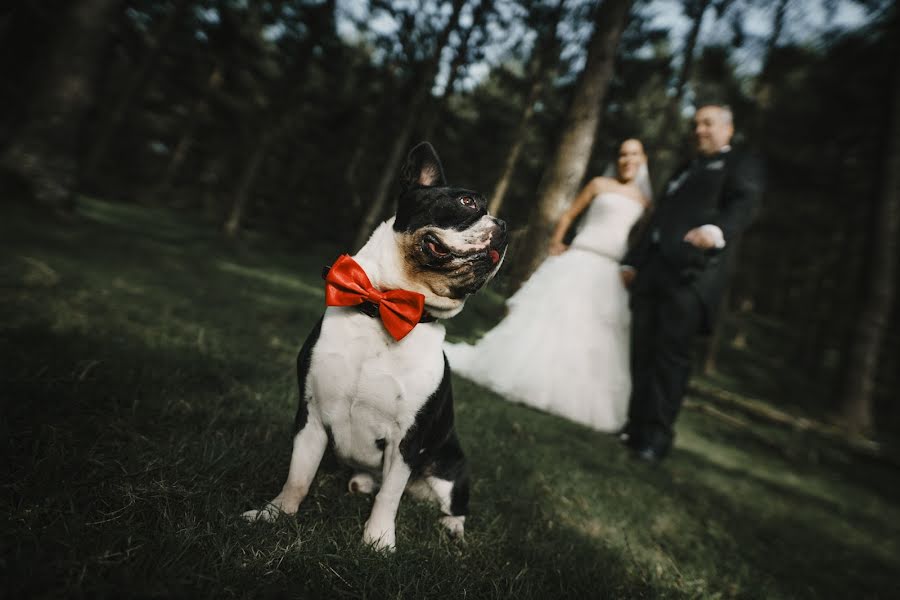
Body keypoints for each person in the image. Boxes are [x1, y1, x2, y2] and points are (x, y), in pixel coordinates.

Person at [444, 139, 652, 432]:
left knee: (591, 332)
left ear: (643, 159)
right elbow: (570, 214)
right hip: (579, 255)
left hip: (609, 268)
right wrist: (558, 240)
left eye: (633, 154)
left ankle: (573, 395)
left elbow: (641, 240)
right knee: (551, 319)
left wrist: (632, 266)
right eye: (622, 154)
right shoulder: (599, 184)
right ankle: (527, 377)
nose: (627, 159)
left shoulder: (645, 203)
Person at [621, 104, 765, 462]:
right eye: (696, 123)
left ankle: (656, 438)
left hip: (692, 275)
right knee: (643, 352)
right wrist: (634, 261)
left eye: (708, 123)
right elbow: (659, 220)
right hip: (652, 272)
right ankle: (635, 427)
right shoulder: (685, 168)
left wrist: (718, 230)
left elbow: (745, 202)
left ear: (728, 130)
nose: (699, 129)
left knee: (670, 356)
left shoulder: (739, 164)